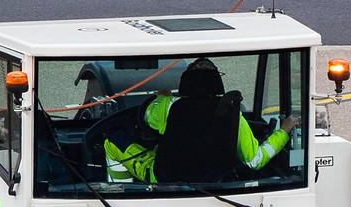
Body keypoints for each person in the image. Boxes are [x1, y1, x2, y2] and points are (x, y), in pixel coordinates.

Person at [101, 57, 297, 185]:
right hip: (217, 184)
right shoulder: (232, 114)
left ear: (186, 81)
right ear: (217, 82)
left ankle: (120, 193)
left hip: (164, 179)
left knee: (112, 142)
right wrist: (284, 131)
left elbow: (146, 117)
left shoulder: (168, 107)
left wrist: (161, 97)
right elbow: (254, 161)